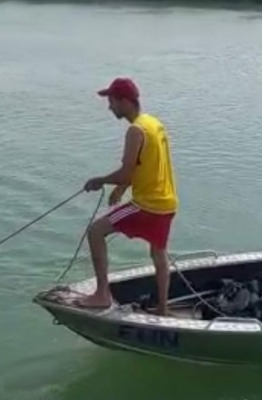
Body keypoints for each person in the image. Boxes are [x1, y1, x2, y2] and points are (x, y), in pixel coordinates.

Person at [77, 77, 179, 316]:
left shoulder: (135, 131)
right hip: (167, 204)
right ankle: (163, 308)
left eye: (112, 101)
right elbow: (146, 165)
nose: (109, 107)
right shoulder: (153, 123)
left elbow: (126, 172)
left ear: (124, 101)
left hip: (146, 206)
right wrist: (122, 188)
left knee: (95, 231)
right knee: (158, 253)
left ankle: (102, 295)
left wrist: (100, 181)